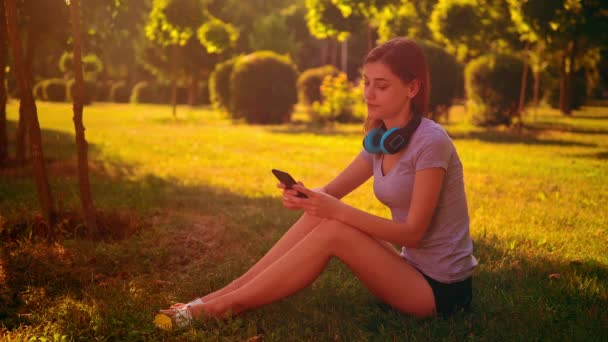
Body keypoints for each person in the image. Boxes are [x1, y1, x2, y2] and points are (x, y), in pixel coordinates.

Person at [156, 37, 477, 330]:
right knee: (321, 214)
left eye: (382, 85)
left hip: (441, 290)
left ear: (412, 88)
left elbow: (414, 234)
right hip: (410, 270)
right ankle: (217, 297)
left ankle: (220, 308)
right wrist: (307, 197)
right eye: (366, 83)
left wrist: (334, 209)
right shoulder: (382, 140)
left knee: (334, 226)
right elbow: (331, 192)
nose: (368, 93)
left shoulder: (431, 142)